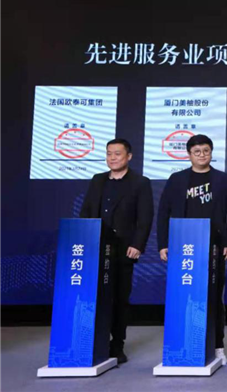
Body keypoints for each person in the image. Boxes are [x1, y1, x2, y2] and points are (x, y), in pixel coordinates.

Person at [157, 134, 227, 366]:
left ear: (211, 153)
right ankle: (181, 344)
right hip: (183, 246)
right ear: (189, 154)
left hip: (214, 247)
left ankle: (217, 346)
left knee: (214, 297)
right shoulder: (177, 179)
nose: (201, 155)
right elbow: (163, 212)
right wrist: (163, 244)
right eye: (197, 151)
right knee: (183, 296)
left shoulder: (223, 179)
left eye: (206, 151)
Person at [80, 138, 154, 364]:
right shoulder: (98, 180)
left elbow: (145, 217)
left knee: (120, 298)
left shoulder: (140, 183)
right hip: (95, 248)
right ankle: (92, 340)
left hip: (124, 250)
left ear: (129, 156)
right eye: (109, 153)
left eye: (117, 154)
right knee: (93, 295)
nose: (112, 158)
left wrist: (137, 244)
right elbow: (86, 212)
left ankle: (117, 344)